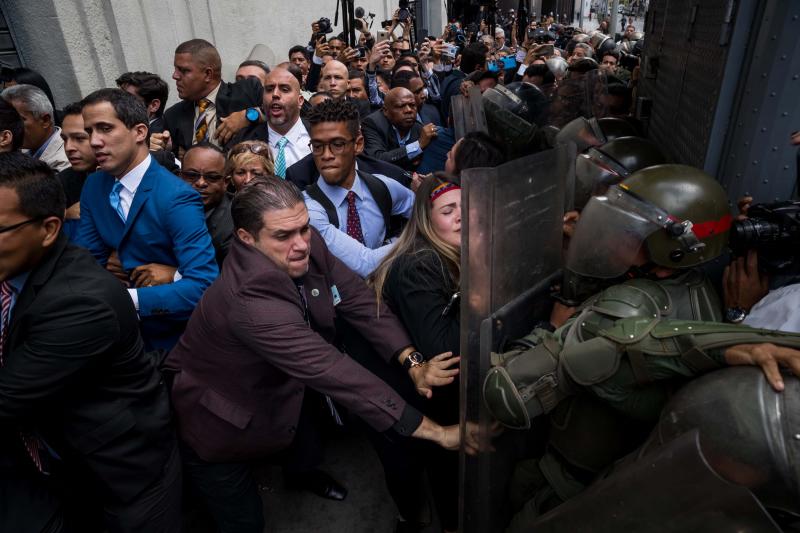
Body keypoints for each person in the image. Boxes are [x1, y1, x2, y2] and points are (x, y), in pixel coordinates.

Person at [166, 176, 469, 533]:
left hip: (283, 390)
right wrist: (436, 432)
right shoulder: (249, 304)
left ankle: (301, 475)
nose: (300, 245)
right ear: (246, 238)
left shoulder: (305, 240)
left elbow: (355, 297)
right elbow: (332, 371)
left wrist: (412, 362)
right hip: (222, 415)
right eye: (283, 236)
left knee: (301, 449)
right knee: (242, 519)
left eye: (304, 229)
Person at [0, 152, 180, 533]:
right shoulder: (16, 270)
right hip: (62, 459)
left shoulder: (79, 303)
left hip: (122, 471)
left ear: (49, 229)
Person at [75, 88, 218, 350]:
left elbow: (202, 286)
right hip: (113, 337)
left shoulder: (176, 197)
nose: (94, 141)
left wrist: (126, 299)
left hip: (175, 341)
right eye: (90, 131)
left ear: (140, 132)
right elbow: (86, 265)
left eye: (105, 128)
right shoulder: (94, 186)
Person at [369, 173, 463, 532]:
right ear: (426, 219)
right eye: (449, 210)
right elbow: (446, 353)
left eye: (468, 207)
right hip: (401, 390)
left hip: (425, 387)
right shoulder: (419, 264)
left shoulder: (454, 251)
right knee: (422, 465)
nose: (461, 216)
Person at [303, 99, 415, 277]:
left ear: (358, 144)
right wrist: (416, 240)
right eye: (317, 146)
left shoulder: (382, 186)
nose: (326, 155)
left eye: (337, 144)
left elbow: (424, 211)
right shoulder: (308, 211)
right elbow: (366, 264)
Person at [150, 39, 264, 157]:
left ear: (208, 74)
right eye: (176, 69)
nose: (175, 76)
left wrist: (249, 116)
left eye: (184, 70)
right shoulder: (173, 115)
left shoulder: (246, 92)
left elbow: (280, 111)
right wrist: (161, 148)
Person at [179, 142, 233, 266]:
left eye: (212, 177)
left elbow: (230, 279)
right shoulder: (165, 207)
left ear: (226, 182)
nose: (201, 183)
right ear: (180, 176)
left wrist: (174, 274)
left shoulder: (236, 221)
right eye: (192, 175)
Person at [362, 87, 438, 172]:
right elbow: (377, 159)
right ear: (385, 111)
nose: (408, 110)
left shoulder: (419, 129)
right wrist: (417, 146)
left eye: (412, 105)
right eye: (401, 106)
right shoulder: (373, 123)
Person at [2, 84, 69, 172]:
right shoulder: (23, 148)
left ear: (45, 120)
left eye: (18, 120)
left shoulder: (65, 162)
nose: (11, 127)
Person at [260, 67, 311, 178]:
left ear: (300, 101)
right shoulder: (245, 138)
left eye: (285, 89)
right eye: (269, 89)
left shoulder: (318, 135)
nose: (275, 94)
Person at [56, 102, 97, 240]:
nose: (68, 147)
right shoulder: (61, 182)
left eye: (79, 138)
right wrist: (65, 215)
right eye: (64, 139)